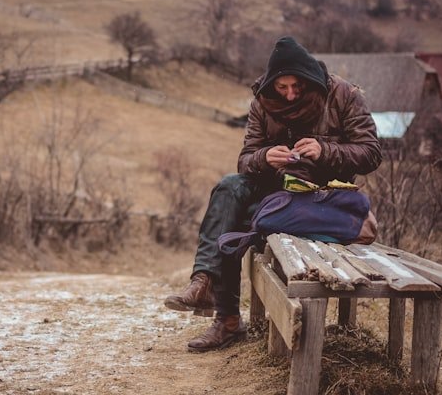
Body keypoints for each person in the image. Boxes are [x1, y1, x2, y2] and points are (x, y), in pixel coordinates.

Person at [164, 35, 382, 352]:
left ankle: (225, 319)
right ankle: (204, 284)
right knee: (228, 188)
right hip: (274, 188)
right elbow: (245, 160)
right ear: (271, 84)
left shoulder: (343, 95)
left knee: (233, 219)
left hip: (319, 196)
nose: (290, 95)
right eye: (282, 88)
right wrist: (264, 158)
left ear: (310, 78)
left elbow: (371, 153)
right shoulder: (262, 102)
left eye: (297, 87)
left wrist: (325, 151)